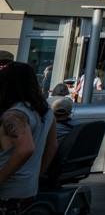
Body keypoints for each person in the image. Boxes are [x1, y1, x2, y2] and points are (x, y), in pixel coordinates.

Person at [0, 62, 58, 210]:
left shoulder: (14, 115)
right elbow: (52, 146)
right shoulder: (45, 111)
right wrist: (36, 175)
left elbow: (25, 149)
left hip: (8, 190)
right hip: (28, 189)